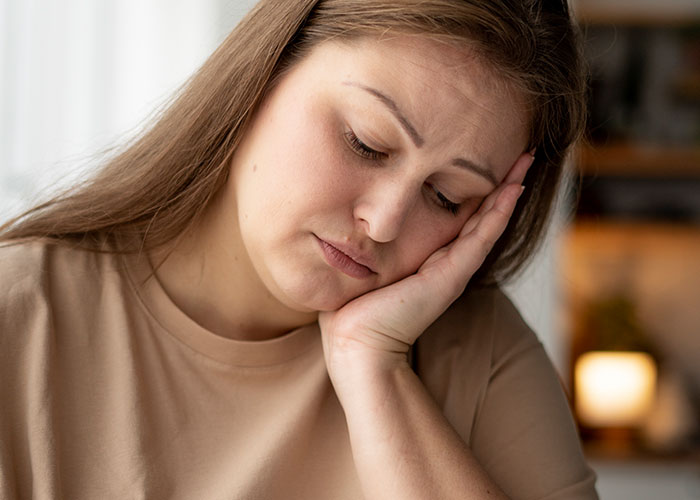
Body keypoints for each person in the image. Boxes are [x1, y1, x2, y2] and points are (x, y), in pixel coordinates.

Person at [0, 0, 597, 498]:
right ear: (264, 71)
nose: (384, 222)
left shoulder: (478, 354)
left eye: (446, 197)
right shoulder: (20, 321)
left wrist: (375, 369)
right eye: (365, 143)